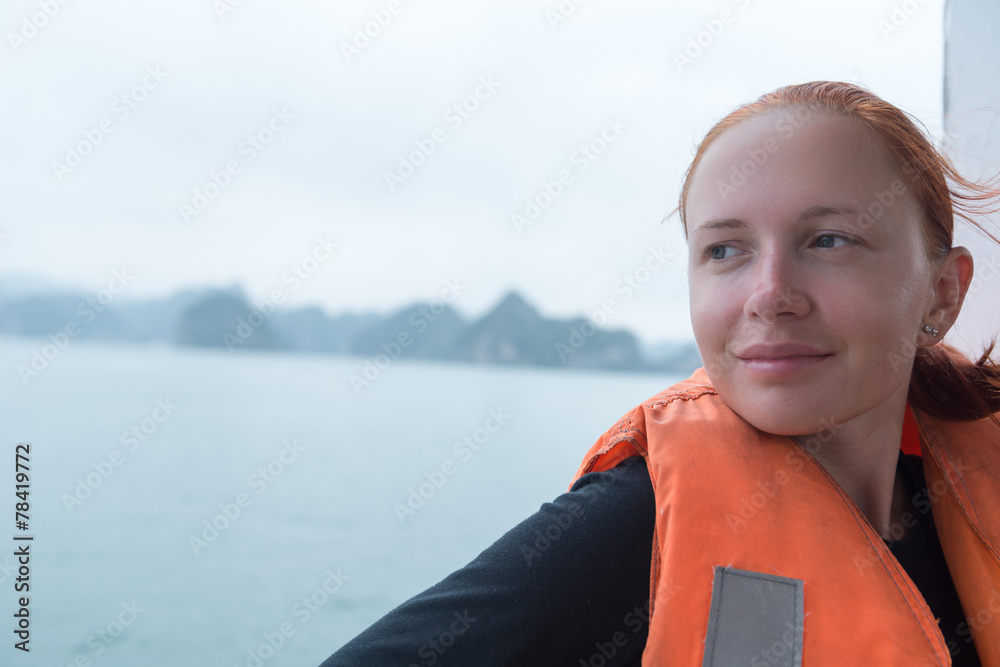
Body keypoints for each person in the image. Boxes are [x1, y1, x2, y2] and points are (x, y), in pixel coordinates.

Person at [319, 81, 1000, 666]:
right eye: (725, 250)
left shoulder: (969, 488)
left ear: (943, 293)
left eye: (828, 240)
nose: (769, 294)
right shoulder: (633, 529)